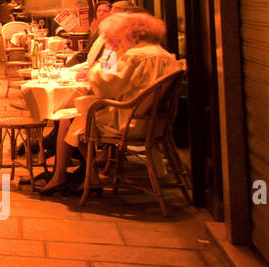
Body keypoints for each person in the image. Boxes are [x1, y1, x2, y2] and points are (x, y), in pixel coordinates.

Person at [37, 12, 179, 194]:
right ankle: (84, 175)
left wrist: (107, 57)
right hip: (156, 122)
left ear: (133, 35)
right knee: (79, 115)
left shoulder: (134, 56)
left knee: (70, 118)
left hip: (129, 122)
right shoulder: (164, 55)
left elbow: (106, 86)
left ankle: (72, 177)